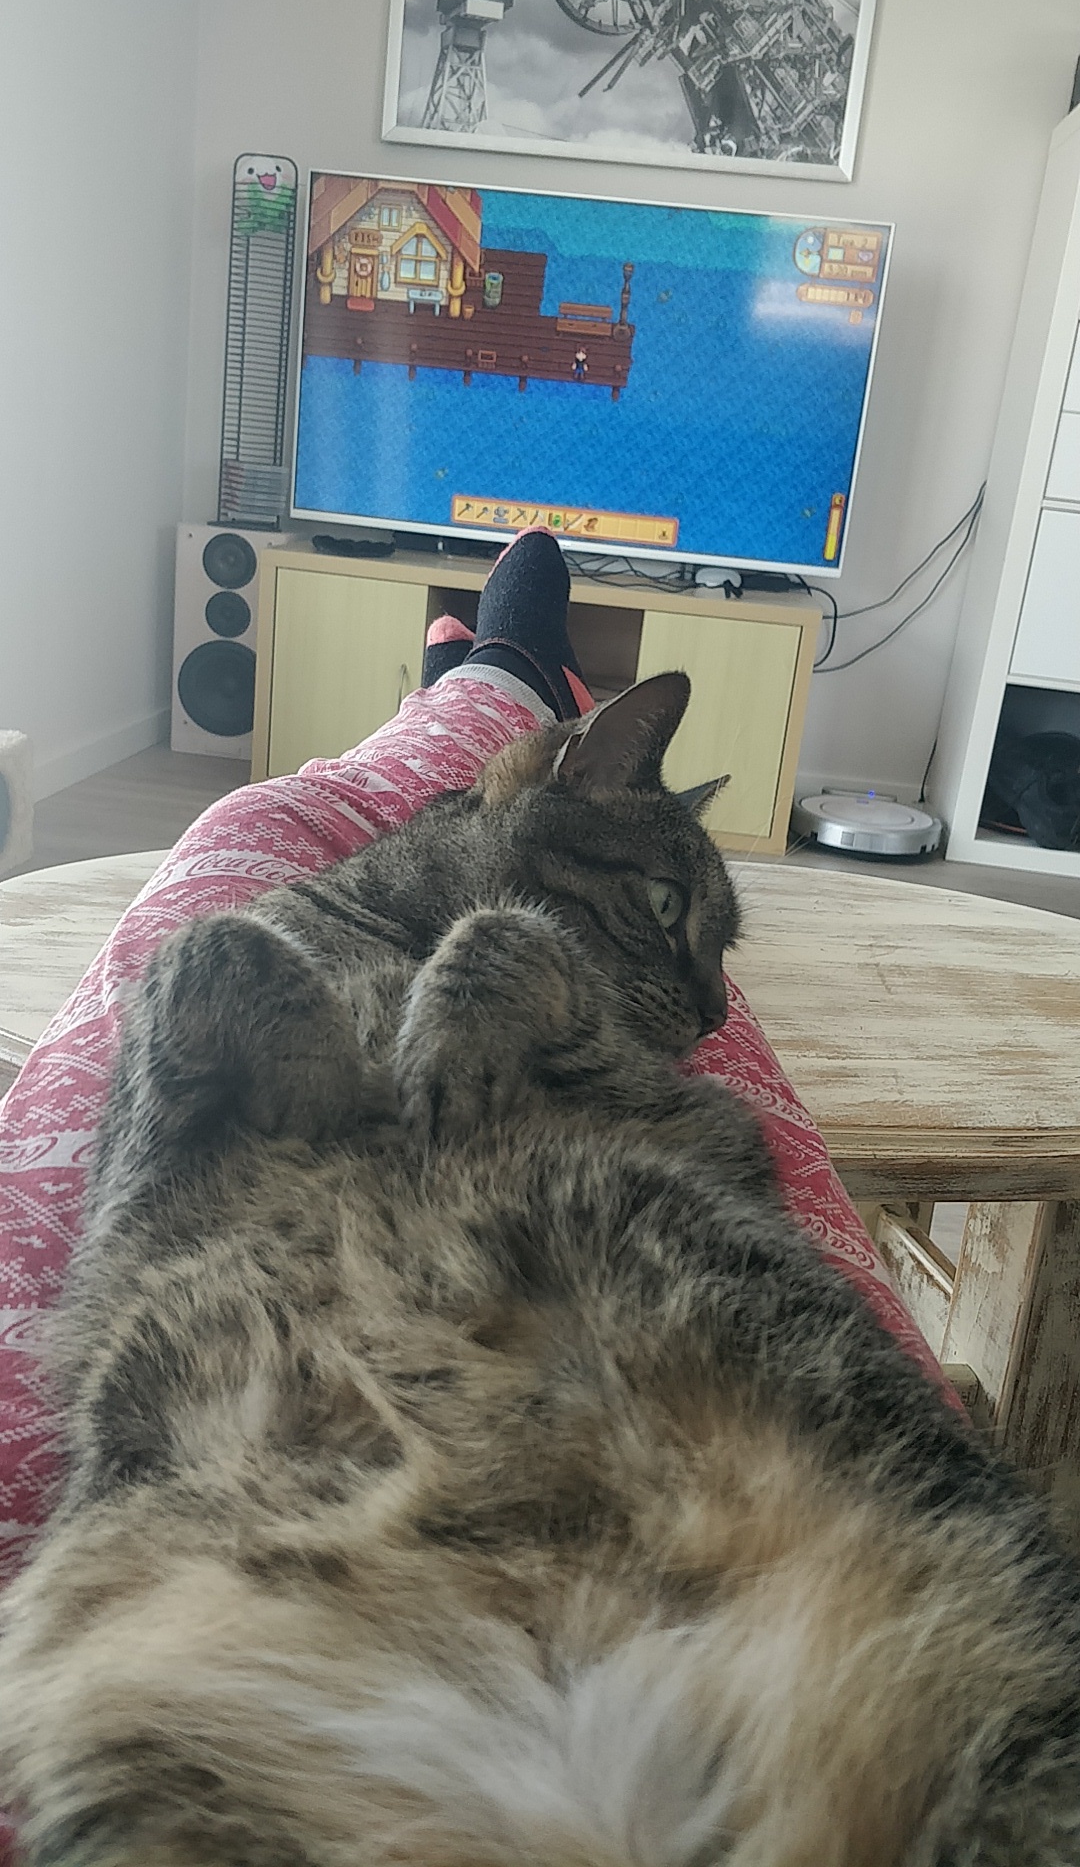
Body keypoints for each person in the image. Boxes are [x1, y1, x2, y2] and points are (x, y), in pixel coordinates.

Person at [0, 530, 946, 1607]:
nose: (713, 1009)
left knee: (260, 822)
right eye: (679, 924)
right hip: (720, 1537)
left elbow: (126, 1253)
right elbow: (735, 1171)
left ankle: (485, 681)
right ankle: (510, 689)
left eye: (713, 957)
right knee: (305, 856)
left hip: (225, 1526)